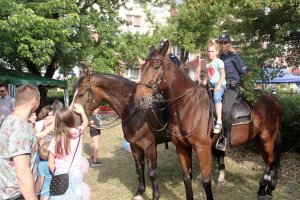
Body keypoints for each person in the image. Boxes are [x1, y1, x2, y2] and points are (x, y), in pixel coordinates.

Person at [0, 84, 40, 200]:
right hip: (16, 195)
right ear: (34, 101)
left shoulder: (9, 120)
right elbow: (22, 173)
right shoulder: (20, 128)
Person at [216, 34, 250, 151]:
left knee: (225, 110)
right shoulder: (219, 57)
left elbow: (246, 72)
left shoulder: (234, 56)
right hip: (220, 86)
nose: (223, 44)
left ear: (229, 43)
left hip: (232, 88)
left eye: (225, 42)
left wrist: (242, 84)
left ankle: (226, 139)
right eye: (221, 42)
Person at [48, 103, 88, 199]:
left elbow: (50, 162)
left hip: (60, 173)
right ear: (71, 119)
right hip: (75, 172)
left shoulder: (56, 138)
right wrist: (82, 112)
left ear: (57, 121)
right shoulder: (77, 133)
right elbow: (85, 123)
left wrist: (56, 172)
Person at [202, 42, 226, 134]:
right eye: (208, 51)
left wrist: (219, 85)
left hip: (219, 84)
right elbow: (208, 76)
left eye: (212, 51)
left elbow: (223, 75)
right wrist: (202, 83)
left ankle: (219, 121)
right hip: (211, 84)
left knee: (216, 97)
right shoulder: (207, 63)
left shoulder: (219, 62)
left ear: (216, 52)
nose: (210, 53)